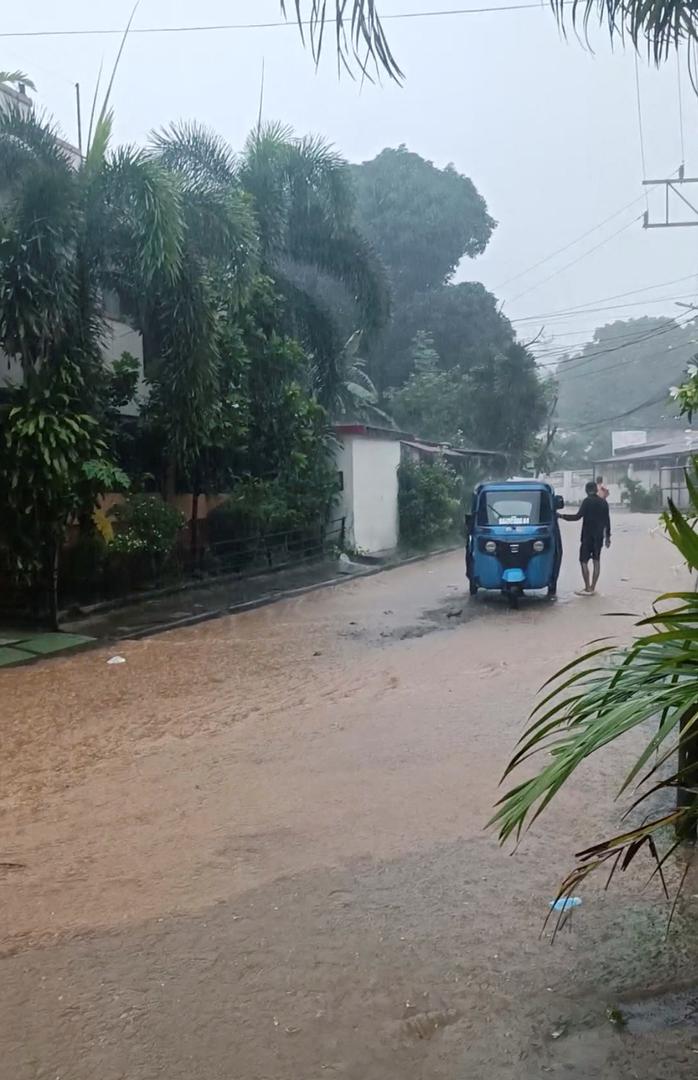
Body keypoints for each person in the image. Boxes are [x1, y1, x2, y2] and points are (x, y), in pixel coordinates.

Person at [559, 480, 611, 595]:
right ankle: (593, 587)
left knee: (583, 561)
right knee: (596, 561)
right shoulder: (604, 503)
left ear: (587, 490)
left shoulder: (587, 501)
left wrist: (561, 516)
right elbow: (607, 521)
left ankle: (587, 587)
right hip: (599, 537)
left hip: (587, 536)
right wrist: (608, 537)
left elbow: (577, 517)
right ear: (596, 490)